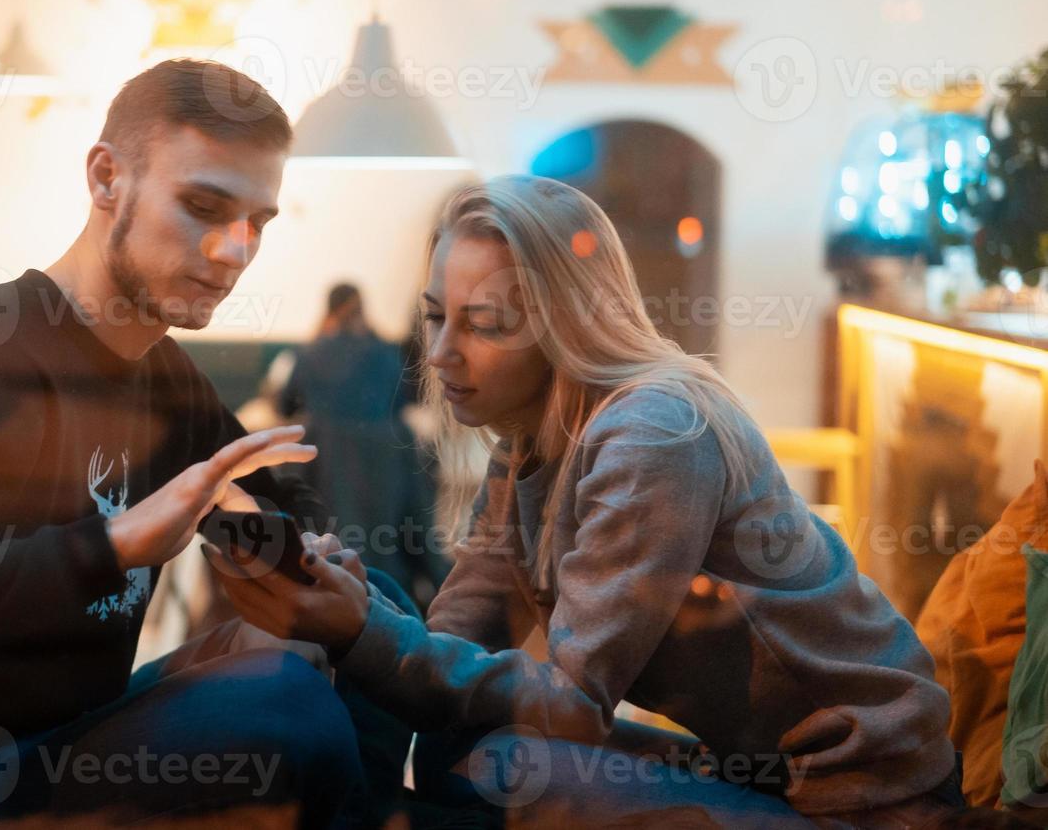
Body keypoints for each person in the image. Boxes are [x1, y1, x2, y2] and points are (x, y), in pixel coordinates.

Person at [210, 176, 965, 827]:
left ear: (567, 326)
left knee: (496, 764)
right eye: (437, 315)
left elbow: (571, 704)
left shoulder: (654, 433)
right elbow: (453, 637)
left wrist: (362, 634)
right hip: (750, 768)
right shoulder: (530, 438)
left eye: (486, 325)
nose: (440, 355)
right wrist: (348, 608)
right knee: (440, 716)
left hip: (857, 799)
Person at [0, 60, 409, 827]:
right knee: (283, 710)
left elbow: (267, 489)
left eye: (257, 223)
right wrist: (108, 544)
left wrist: (303, 555)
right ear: (108, 178)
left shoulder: (165, 375)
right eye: (203, 207)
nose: (234, 251)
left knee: (372, 609)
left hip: (71, 740)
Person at [279, 283, 444, 604]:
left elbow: (285, 404)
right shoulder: (385, 353)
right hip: (387, 471)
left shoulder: (309, 353)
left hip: (324, 473)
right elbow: (402, 404)